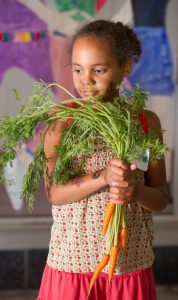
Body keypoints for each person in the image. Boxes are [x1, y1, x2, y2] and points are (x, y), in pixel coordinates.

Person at [37, 20, 168, 300]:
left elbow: (160, 197)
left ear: (125, 68)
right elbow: (54, 193)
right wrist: (103, 177)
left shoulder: (144, 122)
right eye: (77, 69)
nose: (86, 80)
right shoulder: (62, 122)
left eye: (99, 70)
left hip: (128, 265)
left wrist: (136, 191)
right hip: (71, 264)